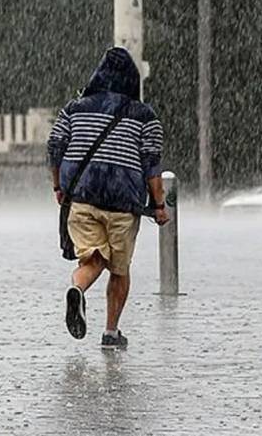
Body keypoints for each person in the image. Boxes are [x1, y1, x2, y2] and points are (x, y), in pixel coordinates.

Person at [47, 47, 170, 349]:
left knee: (93, 258)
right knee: (119, 268)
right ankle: (111, 333)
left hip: (83, 197)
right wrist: (159, 205)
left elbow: (54, 148)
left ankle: (77, 287)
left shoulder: (74, 109)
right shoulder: (145, 116)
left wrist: (58, 186)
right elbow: (151, 165)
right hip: (123, 204)